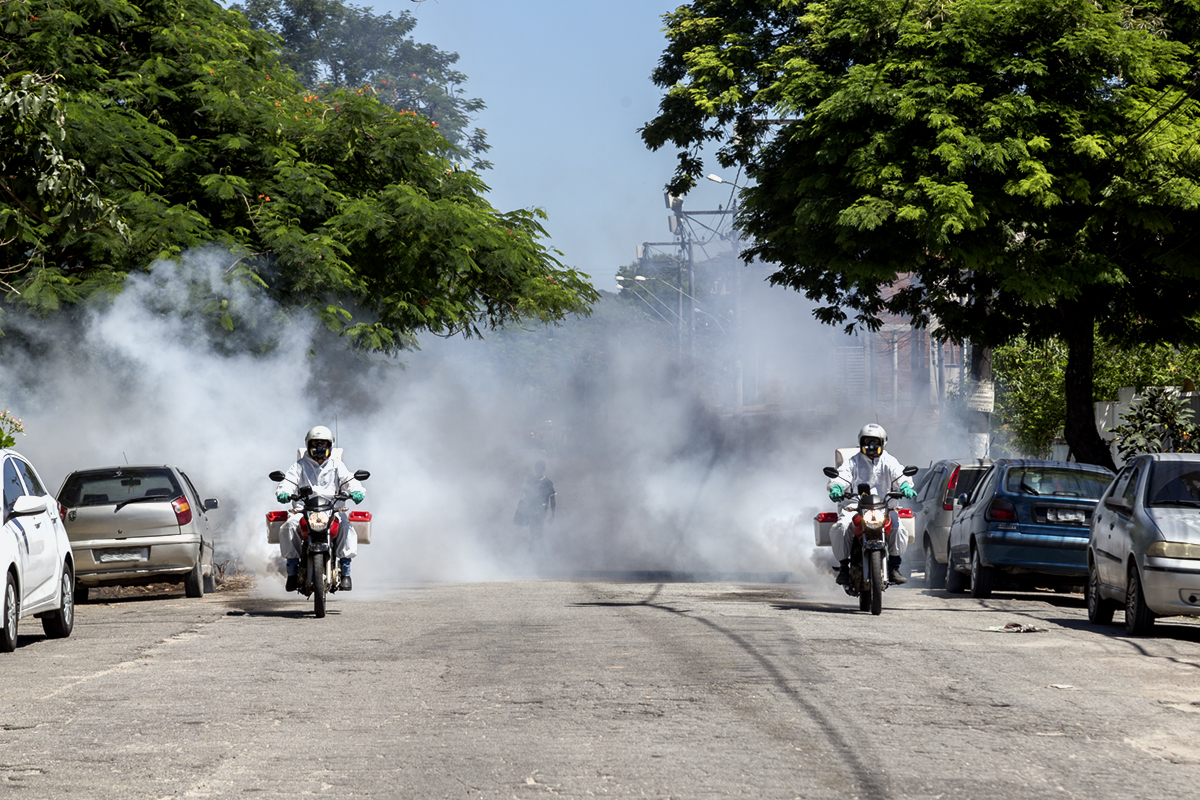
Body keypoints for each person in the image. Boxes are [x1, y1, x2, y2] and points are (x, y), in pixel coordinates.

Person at [275, 425, 365, 592]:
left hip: (333, 510)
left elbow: (350, 481)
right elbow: (288, 482)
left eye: (323, 444)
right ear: (308, 445)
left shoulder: (337, 465)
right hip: (304, 510)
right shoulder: (299, 466)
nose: (319, 447)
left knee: (346, 527)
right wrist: (283, 492)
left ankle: (346, 571)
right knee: (288, 526)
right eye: (315, 443)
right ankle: (292, 571)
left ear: (330, 445)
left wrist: (357, 491)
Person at [827, 423, 916, 586]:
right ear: (861, 442)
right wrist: (837, 487)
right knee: (842, 526)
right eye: (867, 441)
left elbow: (899, 474)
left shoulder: (889, 460)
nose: (871, 445)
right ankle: (844, 567)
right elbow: (842, 476)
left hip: (885, 507)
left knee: (898, 527)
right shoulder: (853, 462)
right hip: (855, 507)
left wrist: (905, 486)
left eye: (875, 442)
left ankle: (894, 566)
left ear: (883, 443)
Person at [514, 460, 556, 545]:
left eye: (540, 468)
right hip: (531, 509)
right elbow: (526, 494)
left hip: (541, 510)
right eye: (537, 468)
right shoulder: (531, 480)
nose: (538, 470)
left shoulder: (548, 482)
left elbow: (552, 499)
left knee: (538, 530)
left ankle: (537, 548)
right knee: (533, 530)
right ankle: (535, 546)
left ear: (543, 469)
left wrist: (552, 514)